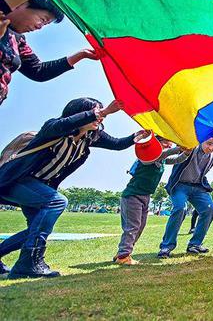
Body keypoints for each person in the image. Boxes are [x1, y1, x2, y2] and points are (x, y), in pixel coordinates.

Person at [0, 98, 145, 278]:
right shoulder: (53, 129)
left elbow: (116, 144)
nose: (99, 118)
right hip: (17, 180)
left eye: (100, 113)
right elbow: (66, 124)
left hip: (39, 187)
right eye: (94, 112)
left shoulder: (89, 138)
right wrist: (105, 111)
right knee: (57, 202)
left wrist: (135, 137)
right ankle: (28, 264)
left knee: (36, 229)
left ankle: (23, 261)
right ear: (79, 112)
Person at [0, 0, 99, 107]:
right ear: (21, 3)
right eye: (42, 19)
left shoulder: (18, 40)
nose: (40, 27)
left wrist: (81, 54)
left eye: (45, 24)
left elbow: (38, 71)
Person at [157, 138, 213, 258]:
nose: (211, 148)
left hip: (199, 187)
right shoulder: (190, 142)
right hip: (180, 185)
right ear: (201, 140)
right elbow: (178, 137)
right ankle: (166, 246)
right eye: (209, 144)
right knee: (180, 208)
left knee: (209, 209)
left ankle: (195, 244)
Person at [114, 139, 187, 265]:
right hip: (133, 196)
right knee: (133, 226)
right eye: (165, 142)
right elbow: (162, 154)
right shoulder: (147, 156)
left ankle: (123, 252)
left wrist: (186, 153)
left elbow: (176, 160)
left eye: (170, 143)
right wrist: (178, 148)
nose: (169, 145)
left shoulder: (162, 160)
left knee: (140, 227)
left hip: (145, 196)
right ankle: (123, 256)